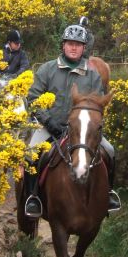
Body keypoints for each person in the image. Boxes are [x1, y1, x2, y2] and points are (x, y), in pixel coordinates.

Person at [23, 23, 121, 218]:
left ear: (84, 48)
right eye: (70, 43)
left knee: (110, 151)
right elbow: (33, 98)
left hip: (82, 130)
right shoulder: (47, 69)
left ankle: (108, 194)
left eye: (78, 44)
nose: (73, 47)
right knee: (31, 154)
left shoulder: (93, 75)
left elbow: (98, 103)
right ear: (63, 45)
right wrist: (49, 121)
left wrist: (91, 125)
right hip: (50, 127)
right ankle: (32, 197)